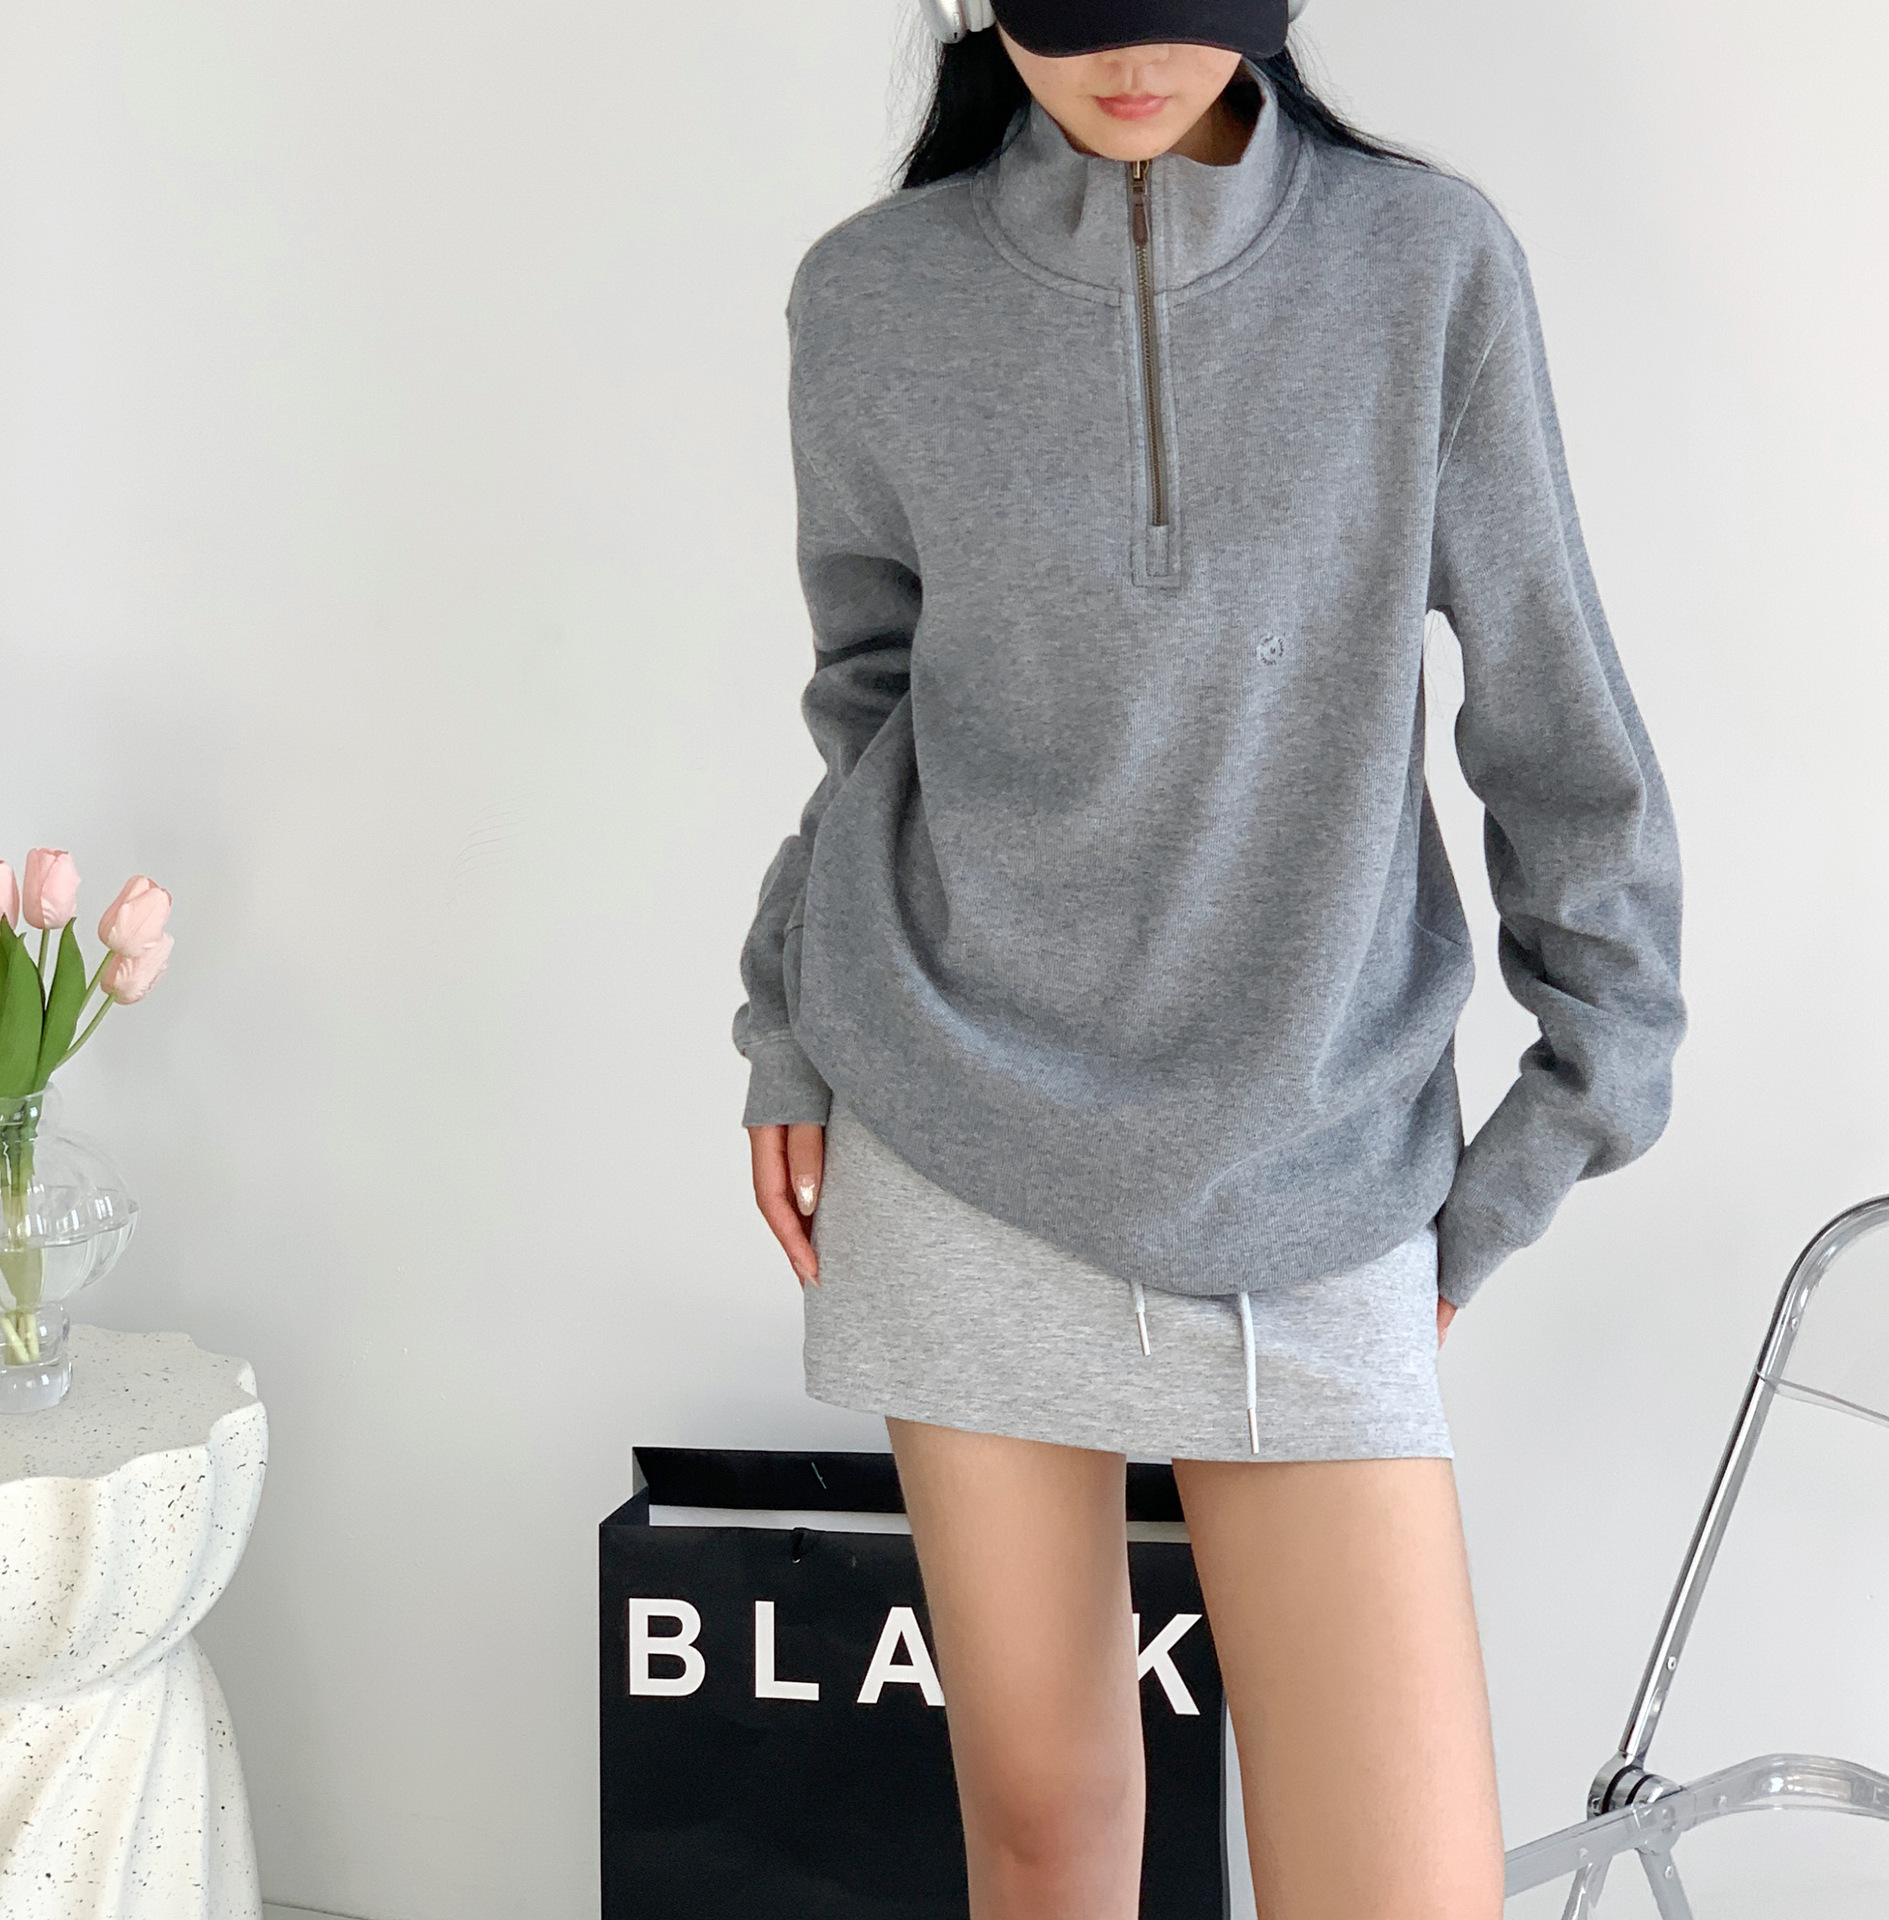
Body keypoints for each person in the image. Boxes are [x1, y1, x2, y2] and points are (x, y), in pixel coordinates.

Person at [732, 1, 1685, 1912]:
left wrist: (1551, 1127)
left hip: (1312, 1165)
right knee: (1044, 1834)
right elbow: (874, 710)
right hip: (954, 1122)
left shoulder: (1422, 267)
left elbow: (1550, 721)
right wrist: (788, 1024)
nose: (1134, 46)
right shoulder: (872, 296)